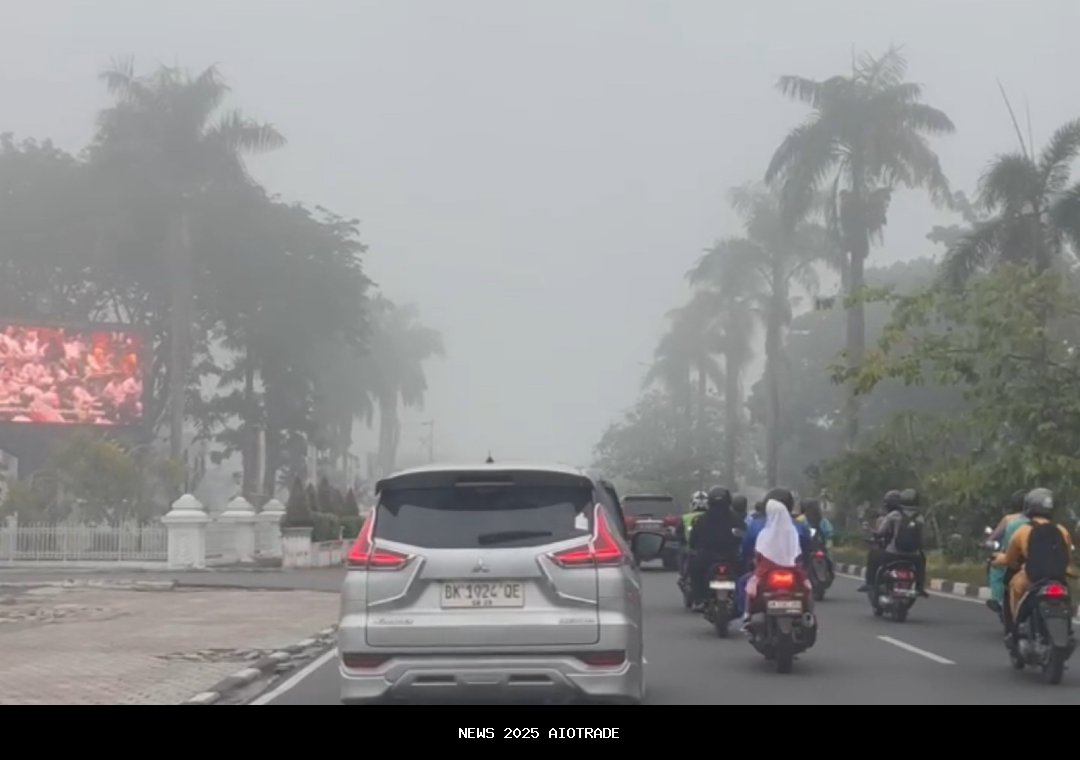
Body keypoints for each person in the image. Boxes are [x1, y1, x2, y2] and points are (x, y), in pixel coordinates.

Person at [992, 488, 1076, 633]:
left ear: (1029, 506)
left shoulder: (1023, 530)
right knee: (1067, 594)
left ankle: (1017, 626)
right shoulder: (1062, 530)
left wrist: (998, 559)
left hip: (1032, 578)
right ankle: (1068, 628)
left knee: (1015, 586)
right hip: (1057, 578)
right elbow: (1067, 557)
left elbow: (1009, 558)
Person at [741, 488, 813, 629]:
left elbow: (748, 548)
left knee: (746, 585)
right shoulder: (798, 527)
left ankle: (747, 616)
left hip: (766, 572)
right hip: (793, 571)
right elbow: (806, 550)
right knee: (807, 588)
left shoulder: (758, 526)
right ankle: (809, 616)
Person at [860, 490, 928, 597]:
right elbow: (924, 538)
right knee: (922, 562)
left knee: (873, 556)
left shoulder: (894, 515)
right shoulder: (920, 518)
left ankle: (870, 584)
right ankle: (920, 588)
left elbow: (881, 532)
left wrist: (870, 530)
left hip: (893, 554)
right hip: (913, 556)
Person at [688, 486, 741, 609]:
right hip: (730, 557)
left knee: (694, 570)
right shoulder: (736, 519)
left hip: (707, 557)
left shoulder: (702, 519)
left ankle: (700, 598)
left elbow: (693, 539)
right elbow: (743, 535)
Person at [986, 490, 1029, 613]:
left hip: (1012, 557)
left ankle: (998, 599)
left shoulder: (1009, 519)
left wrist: (987, 543)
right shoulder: (1041, 520)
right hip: (1033, 558)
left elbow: (993, 537)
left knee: (996, 567)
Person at [676, 491, 709, 579]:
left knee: (681, 551)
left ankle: (682, 574)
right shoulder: (713, 516)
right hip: (710, 547)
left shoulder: (685, 517)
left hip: (691, 547)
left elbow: (678, 533)